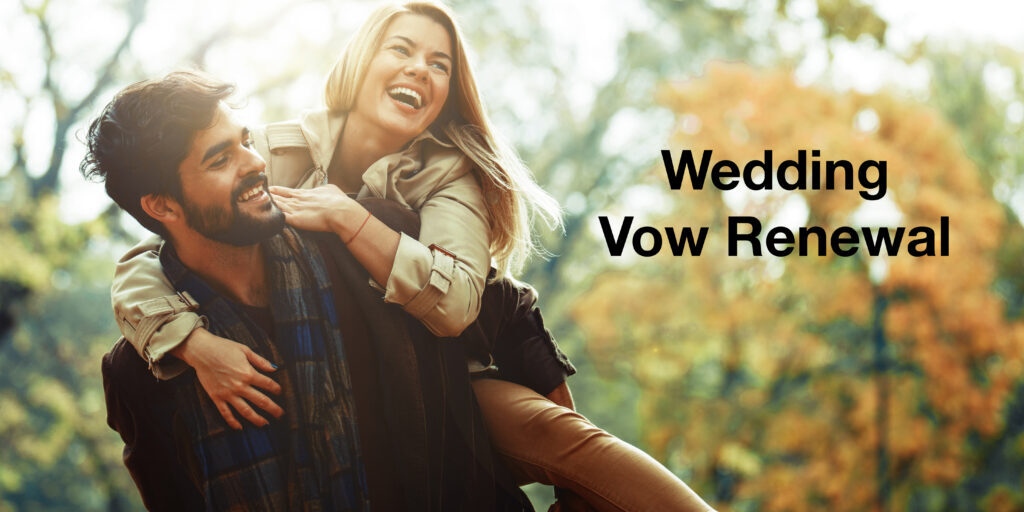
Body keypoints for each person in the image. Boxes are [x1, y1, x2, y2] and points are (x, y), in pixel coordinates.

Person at [108, 2, 714, 511]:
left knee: (564, 443)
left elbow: (458, 306)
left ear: (450, 91)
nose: (419, 69)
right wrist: (191, 342)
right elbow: (156, 252)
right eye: (401, 50)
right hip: (351, 366)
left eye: (439, 64)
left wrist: (348, 217)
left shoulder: (449, 177)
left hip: (448, 362)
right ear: (363, 61)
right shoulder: (274, 148)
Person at [86, 71, 532, 511]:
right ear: (162, 205)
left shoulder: (360, 241)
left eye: (244, 141)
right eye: (220, 160)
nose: (255, 162)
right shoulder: (140, 374)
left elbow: (503, 310)